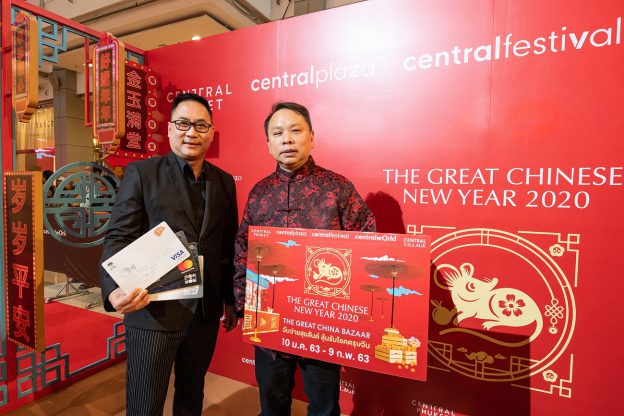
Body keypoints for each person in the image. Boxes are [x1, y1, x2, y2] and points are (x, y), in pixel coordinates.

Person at [233, 102, 376, 416]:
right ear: (268, 143)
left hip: (320, 322)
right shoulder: (259, 192)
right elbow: (243, 247)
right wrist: (243, 302)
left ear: (311, 137)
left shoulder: (337, 188)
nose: (287, 139)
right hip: (268, 319)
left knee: (324, 407)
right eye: (278, 133)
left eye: (295, 130)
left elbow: (367, 241)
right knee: (271, 404)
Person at [100, 93, 238, 416]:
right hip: (153, 311)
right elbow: (119, 235)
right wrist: (113, 288)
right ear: (170, 129)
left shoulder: (224, 182)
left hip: (204, 312)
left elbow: (227, 245)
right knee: (144, 404)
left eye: (201, 125)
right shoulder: (142, 173)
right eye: (183, 123)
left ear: (211, 133)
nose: (192, 132)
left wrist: (231, 299)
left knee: (191, 397)